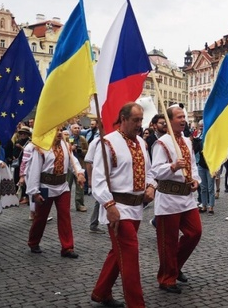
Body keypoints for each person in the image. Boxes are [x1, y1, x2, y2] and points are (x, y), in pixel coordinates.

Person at [91, 102, 155, 308]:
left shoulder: (141, 144)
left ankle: (101, 292)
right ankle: (137, 304)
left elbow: (150, 172)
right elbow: (99, 179)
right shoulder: (107, 143)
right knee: (129, 254)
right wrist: (109, 206)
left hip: (136, 209)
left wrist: (151, 187)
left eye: (141, 120)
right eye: (135, 120)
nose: (139, 124)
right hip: (118, 208)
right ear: (123, 119)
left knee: (117, 252)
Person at [151, 106, 202, 294]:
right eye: (179, 117)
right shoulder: (162, 143)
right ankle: (166, 278)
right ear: (170, 121)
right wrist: (172, 167)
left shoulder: (187, 141)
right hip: (168, 198)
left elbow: (193, 164)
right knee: (168, 241)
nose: (183, 120)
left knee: (195, 232)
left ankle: (175, 265)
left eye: (184, 117)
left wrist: (196, 179)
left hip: (187, 197)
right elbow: (155, 170)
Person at [26, 130, 85, 257]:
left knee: (65, 216)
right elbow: (34, 170)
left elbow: (72, 162)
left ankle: (67, 247)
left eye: (60, 130)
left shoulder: (66, 145)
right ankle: (33, 242)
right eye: (55, 130)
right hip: (45, 186)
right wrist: (35, 192)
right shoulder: (41, 148)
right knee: (41, 216)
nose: (59, 133)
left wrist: (79, 173)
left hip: (62, 187)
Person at [192, 120, 215, 215]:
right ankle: (204, 205)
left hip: (210, 166)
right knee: (203, 187)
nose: (201, 128)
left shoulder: (211, 137)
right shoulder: (199, 137)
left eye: (203, 126)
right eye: (200, 126)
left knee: (210, 188)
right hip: (201, 165)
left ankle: (211, 206)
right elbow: (195, 149)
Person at [84, 137, 104, 234]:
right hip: (100, 176)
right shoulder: (96, 142)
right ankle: (93, 224)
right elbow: (88, 161)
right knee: (100, 199)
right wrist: (90, 179)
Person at [67, 123, 88, 212]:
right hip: (70, 165)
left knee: (80, 186)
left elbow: (87, 151)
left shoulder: (82, 139)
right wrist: (70, 148)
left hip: (80, 163)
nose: (77, 129)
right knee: (67, 185)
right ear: (71, 130)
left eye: (78, 128)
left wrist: (79, 150)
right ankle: (66, 205)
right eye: (75, 128)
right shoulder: (68, 139)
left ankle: (79, 204)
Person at [12, 126, 31, 204]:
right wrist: (13, 156)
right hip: (18, 163)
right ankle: (18, 195)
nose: (22, 135)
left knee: (25, 180)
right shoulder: (18, 141)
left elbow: (28, 151)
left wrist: (20, 147)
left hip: (26, 163)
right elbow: (14, 151)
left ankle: (26, 196)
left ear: (27, 134)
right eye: (21, 133)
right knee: (16, 178)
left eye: (24, 134)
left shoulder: (29, 142)